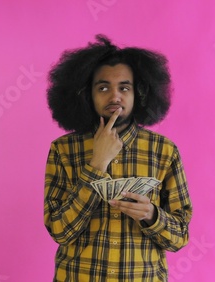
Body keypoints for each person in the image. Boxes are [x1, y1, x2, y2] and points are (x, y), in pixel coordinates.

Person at [43, 34, 193, 281]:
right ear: (86, 94)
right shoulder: (63, 150)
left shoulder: (164, 151)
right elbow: (59, 231)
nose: (114, 97)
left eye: (124, 87)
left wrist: (151, 215)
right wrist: (96, 164)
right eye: (103, 88)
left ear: (139, 93)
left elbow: (179, 237)